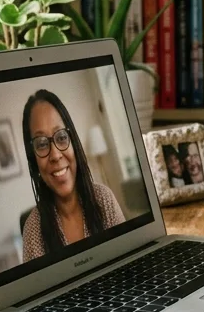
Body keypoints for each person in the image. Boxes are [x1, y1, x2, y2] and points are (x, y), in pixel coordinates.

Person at [20, 90, 126, 260]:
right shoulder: (33, 231)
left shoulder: (104, 200)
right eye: (41, 144)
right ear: (33, 159)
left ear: (73, 141)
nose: (55, 155)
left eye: (61, 137)